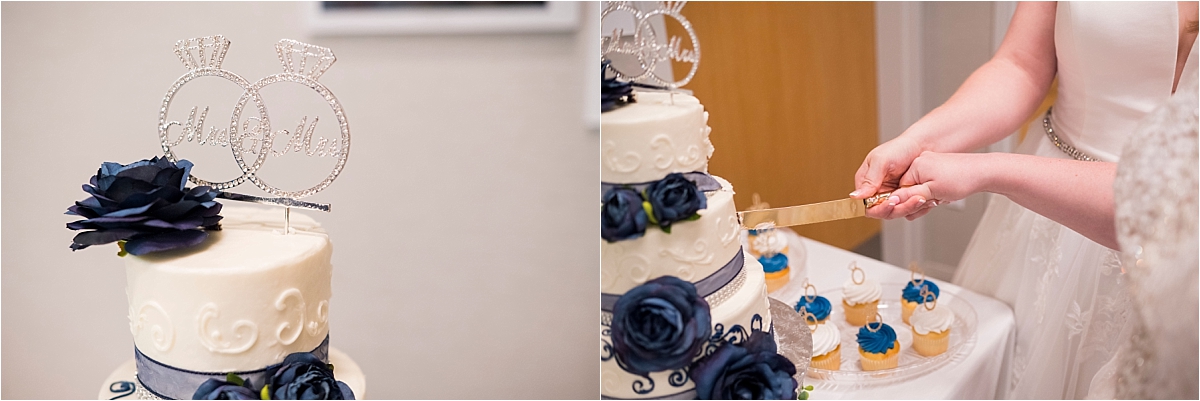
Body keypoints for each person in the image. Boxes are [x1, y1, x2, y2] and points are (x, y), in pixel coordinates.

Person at [849, 2, 1197, 398]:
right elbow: (1021, 64)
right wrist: (916, 141)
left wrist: (989, 172)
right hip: (1042, 226)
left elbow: (1170, 203)